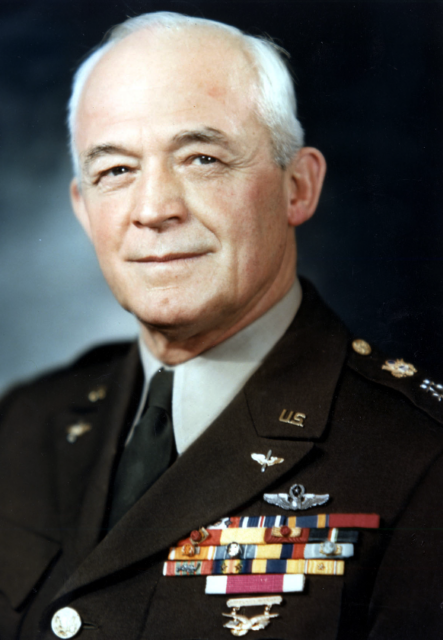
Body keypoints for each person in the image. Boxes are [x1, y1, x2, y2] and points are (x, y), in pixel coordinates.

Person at [1, 11, 443, 640]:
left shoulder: (421, 460)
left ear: (298, 187)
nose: (153, 210)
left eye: (203, 158)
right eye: (116, 171)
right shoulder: (25, 423)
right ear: (82, 208)